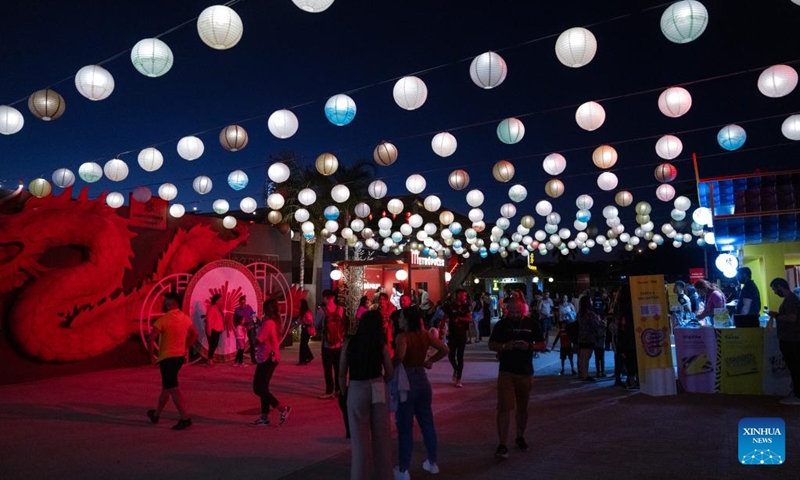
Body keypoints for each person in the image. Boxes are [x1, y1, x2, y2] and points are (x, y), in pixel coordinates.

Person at [392, 306, 449, 478]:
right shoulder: (425, 335)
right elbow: (444, 349)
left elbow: (400, 356)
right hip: (422, 380)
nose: (399, 319)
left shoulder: (403, 337)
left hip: (406, 381)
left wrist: (389, 365)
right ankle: (432, 462)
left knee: (405, 427)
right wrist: (429, 360)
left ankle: (403, 469)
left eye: (401, 317)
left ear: (407, 319)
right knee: (427, 423)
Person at [488, 295, 547, 459]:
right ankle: (502, 444)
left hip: (525, 371)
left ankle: (520, 436)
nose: (514, 314)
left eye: (518, 311)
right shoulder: (502, 324)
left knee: (523, 407)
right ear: (507, 310)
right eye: (511, 311)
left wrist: (530, 346)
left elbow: (543, 345)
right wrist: (504, 346)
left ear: (524, 309)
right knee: (504, 408)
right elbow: (491, 344)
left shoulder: (532, 324)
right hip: (506, 371)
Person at [338, 310, 394, 480]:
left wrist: (344, 392)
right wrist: (381, 381)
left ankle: (360, 475)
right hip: (377, 384)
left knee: (359, 441)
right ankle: (385, 475)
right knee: (382, 437)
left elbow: (341, 373)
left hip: (356, 386)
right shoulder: (380, 344)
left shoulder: (350, 344)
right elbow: (389, 372)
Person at [147, 293, 198, 430]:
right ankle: (156, 414)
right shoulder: (185, 318)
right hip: (178, 357)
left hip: (167, 358)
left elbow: (151, 339)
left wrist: (152, 356)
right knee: (167, 387)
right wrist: (185, 346)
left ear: (170, 303)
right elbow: (195, 334)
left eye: (166, 301)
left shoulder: (163, 320)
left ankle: (185, 417)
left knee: (173, 388)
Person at [250, 299, 292, 426]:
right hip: (271, 357)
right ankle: (264, 416)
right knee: (263, 388)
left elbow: (257, 340)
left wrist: (253, 330)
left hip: (267, 358)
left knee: (257, 388)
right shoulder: (274, 322)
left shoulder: (268, 323)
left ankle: (282, 407)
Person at [769, 278, 800, 405]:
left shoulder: (791, 300)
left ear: (780, 286)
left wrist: (776, 316)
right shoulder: (792, 299)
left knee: (795, 367)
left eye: (774, 289)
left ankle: (798, 396)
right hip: (791, 338)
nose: (775, 292)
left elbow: (792, 318)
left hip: (791, 339)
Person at [314, 290, 345, 399]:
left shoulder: (322, 311)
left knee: (327, 369)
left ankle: (329, 391)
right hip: (339, 344)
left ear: (325, 298)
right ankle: (338, 389)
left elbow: (315, 324)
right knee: (338, 369)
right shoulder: (340, 309)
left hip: (327, 345)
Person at [444, 289, 472, 388]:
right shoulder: (450, 306)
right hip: (452, 334)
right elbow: (445, 317)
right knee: (450, 354)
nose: (465, 297)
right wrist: (443, 326)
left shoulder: (466, 307)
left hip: (461, 334)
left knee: (460, 356)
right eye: (463, 295)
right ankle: (456, 369)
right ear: (458, 295)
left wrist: (460, 319)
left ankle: (458, 378)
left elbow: (469, 318)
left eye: (465, 295)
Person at [577, 295, 600, 382]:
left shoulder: (580, 313)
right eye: (590, 300)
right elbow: (596, 325)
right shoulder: (590, 314)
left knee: (582, 356)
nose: (592, 302)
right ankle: (585, 375)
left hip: (581, 336)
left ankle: (582, 373)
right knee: (586, 356)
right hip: (589, 337)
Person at [233, 295, 258, 364]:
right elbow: (234, 319)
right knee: (241, 345)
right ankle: (238, 360)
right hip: (242, 328)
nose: (243, 304)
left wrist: (255, 323)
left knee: (252, 343)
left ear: (245, 302)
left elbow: (254, 315)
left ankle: (253, 359)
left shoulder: (249, 307)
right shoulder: (237, 310)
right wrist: (237, 327)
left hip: (250, 326)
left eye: (244, 303)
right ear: (239, 302)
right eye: (241, 303)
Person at [205, 293, 225, 366]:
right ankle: (210, 360)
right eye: (220, 300)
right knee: (212, 345)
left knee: (214, 344)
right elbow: (209, 320)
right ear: (216, 300)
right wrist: (209, 330)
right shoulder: (211, 308)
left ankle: (210, 359)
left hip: (218, 329)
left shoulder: (218, 308)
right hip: (213, 329)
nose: (221, 301)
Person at [297, 299, 315, 365]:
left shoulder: (307, 313)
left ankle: (303, 360)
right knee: (304, 344)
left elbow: (310, 322)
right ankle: (309, 357)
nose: (299, 305)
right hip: (304, 329)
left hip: (306, 330)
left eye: (300, 303)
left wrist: (304, 322)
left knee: (303, 345)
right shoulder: (303, 312)